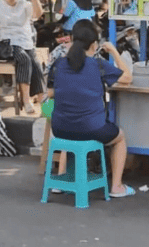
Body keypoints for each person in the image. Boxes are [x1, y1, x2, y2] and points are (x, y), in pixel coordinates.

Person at [47, 20, 135, 197]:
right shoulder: (99, 65)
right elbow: (127, 78)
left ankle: (61, 180)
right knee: (120, 137)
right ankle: (117, 187)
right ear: (94, 45)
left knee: (71, 129)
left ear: (71, 39)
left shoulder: (58, 65)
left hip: (60, 128)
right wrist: (114, 52)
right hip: (91, 129)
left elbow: (50, 93)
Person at [0, 0, 45, 114]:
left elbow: (38, 13)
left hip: (25, 42)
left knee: (36, 64)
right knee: (24, 59)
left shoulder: (24, 4)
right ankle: (26, 100)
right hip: (6, 43)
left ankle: (43, 102)